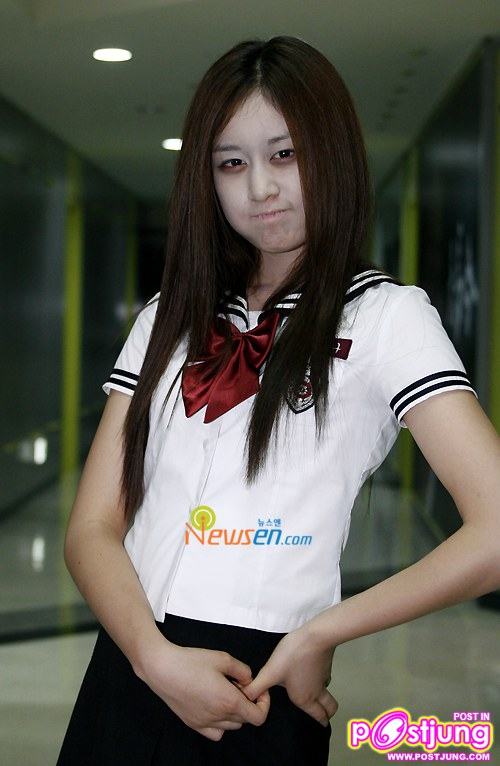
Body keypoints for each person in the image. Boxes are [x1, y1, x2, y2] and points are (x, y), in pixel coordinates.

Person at [56, 35, 500, 766]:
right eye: (231, 163)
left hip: (258, 687)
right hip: (128, 665)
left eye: (285, 154)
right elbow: (93, 525)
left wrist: (324, 631)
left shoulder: (386, 317)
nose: (260, 188)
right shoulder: (166, 318)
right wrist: (151, 657)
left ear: (332, 152)